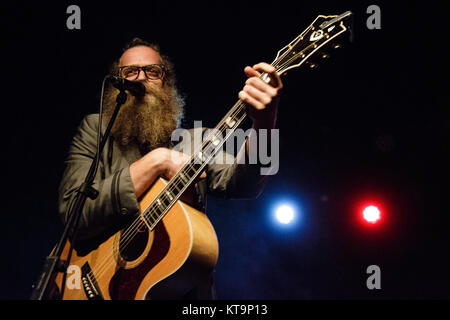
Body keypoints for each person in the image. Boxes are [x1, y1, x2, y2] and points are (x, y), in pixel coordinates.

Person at [58, 37, 283, 299]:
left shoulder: (197, 142)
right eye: (130, 72)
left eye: (152, 71)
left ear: (166, 82)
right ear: (116, 85)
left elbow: (248, 185)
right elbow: (73, 214)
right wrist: (158, 161)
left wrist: (266, 122)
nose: (141, 78)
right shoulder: (95, 131)